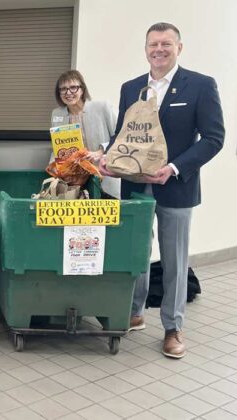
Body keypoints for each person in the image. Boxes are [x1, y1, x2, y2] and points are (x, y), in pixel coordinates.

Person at [99, 22, 224, 359]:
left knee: (174, 259)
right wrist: (109, 160)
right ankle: (135, 312)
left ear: (178, 48)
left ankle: (173, 326)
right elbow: (122, 135)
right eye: (153, 44)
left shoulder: (199, 85)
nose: (159, 50)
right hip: (136, 187)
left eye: (166, 44)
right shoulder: (131, 88)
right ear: (145, 49)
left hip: (177, 188)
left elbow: (214, 138)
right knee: (136, 254)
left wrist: (175, 168)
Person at [51, 70, 119, 197]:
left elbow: (120, 137)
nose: (68, 93)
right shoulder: (57, 114)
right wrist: (54, 166)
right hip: (74, 180)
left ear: (82, 89)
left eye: (73, 88)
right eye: (63, 89)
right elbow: (56, 147)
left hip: (103, 175)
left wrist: (100, 152)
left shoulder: (102, 107)